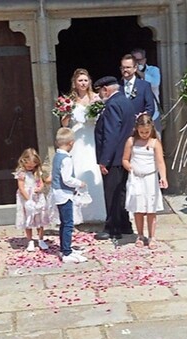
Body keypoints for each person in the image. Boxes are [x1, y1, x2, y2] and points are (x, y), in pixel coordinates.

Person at [60, 68, 106, 223]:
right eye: (80, 80)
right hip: (76, 138)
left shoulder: (95, 98)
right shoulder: (69, 100)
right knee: (76, 170)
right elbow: (64, 124)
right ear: (75, 82)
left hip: (92, 137)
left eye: (85, 80)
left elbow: (102, 119)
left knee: (93, 170)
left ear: (89, 82)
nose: (83, 83)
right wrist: (66, 111)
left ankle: (96, 211)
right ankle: (77, 214)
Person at [94, 76, 136, 240]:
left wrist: (104, 160)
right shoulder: (125, 102)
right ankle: (125, 225)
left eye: (100, 91)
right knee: (121, 192)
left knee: (112, 193)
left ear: (106, 89)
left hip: (114, 157)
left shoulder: (112, 105)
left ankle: (112, 228)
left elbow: (111, 135)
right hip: (123, 156)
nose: (99, 95)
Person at [122, 113, 168, 248]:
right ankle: (140, 235)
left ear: (151, 129)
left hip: (150, 178)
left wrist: (163, 177)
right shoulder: (131, 141)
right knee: (138, 208)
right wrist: (128, 166)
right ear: (137, 129)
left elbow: (160, 162)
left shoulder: (155, 142)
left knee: (151, 209)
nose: (144, 134)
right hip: (136, 178)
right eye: (141, 132)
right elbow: (125, 159)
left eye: (147, 132)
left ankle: (152, 236)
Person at [52, 128, 87, 263]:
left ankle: (65, 248)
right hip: (64, 194)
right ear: (71, 143)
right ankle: (66, 252)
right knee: (68, 223)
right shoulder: (66, 159)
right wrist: (79, 183)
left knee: (64, 222)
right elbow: (66, 179)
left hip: (58, 192)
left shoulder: (57, 156)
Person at [14, 148, 52, 252]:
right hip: (26, 197)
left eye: (33, 165)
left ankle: (40, 239)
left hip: (37, 197)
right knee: (29, 219)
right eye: (29, 165)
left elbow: (41, 182)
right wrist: (28, 200)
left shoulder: (37, 172)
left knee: (40, 219)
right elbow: (21, 187)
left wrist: (40, 188)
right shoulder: (21, 172)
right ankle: (30, 241)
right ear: (23, 161)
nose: (31, 167)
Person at [131, 48, 162, 132]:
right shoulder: (129, 76)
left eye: (139, 60)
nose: (137, 63)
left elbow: (155, 83)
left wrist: (138, 72)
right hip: (135, 118)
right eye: (134, 60)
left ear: (144, 60)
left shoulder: (153, 70)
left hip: (153, 116)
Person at [120, 54, 155, 118]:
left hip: (138, 125)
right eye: (123, 67)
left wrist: (142, 119)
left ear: (135, 68)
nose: (125, 70)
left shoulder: (144, 86)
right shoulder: (117, 86)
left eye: (128, 67)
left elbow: (150, 108)